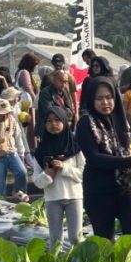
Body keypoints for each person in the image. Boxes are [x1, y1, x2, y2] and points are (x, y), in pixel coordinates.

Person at [76, 76, 131, 241]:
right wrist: (129, 161)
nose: (105, 102)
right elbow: (94, 158)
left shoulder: (125, 118)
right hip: (99, 190)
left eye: (109, 97)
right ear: (91, 99)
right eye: (99, 98)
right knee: (105, 242)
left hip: (127, 187)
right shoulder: (85, 123)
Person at [32, 106, 84, 249]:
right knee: (55, 240)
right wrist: (47, 175)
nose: (53, 124)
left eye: (57, 120)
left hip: (74, 197)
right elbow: (36, 180)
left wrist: (64, 167)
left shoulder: (75, 146)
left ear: (64, 122)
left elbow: (84, 173)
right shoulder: (41, 150)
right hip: (52, 199)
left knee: (76, 237)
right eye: (49, 121)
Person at [37, 70, 75, 136]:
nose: (63, 84)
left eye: (65, 82)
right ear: (53, 80)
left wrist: (61, 112)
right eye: (60, 81)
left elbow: (70, 113)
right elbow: (50, 113)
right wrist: (64, 113)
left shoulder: (64, 91)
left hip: (63, 128)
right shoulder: (46, 93)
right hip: (48, 130)